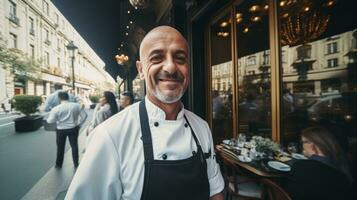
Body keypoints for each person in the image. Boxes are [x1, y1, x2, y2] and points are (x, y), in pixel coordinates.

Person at [65, 26, 224, 200]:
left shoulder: (201, 127)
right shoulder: (110, 135)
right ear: (141, 70)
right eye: (157, 58)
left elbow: (215, 192)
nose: (171, 67)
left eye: (180, 58)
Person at [286, 126, 353, 200]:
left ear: (312, 145)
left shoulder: (301, 166)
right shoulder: (342, 171)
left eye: (303, 142)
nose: (302, 146)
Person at [47, 91, 82, 168]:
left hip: (61, 130)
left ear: (59, 98)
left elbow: (50, 121)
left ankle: (59, 164)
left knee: (60, 147)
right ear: (68, 97)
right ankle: (76, 163)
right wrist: (79, 124)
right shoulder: (76, 106)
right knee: (74, 146)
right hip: (73, 128)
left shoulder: (56, 109)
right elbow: (83, 116)